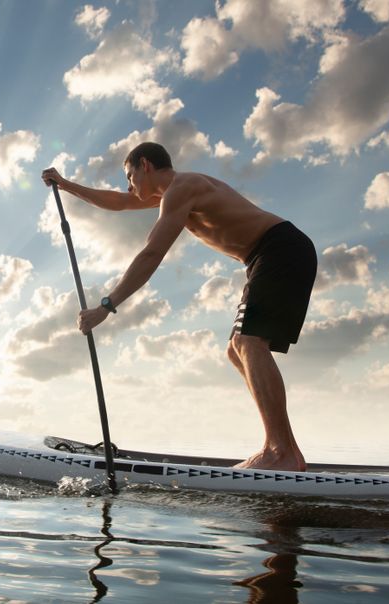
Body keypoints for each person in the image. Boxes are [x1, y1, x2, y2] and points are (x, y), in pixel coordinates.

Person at [41, 142, 316, 471]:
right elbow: (118, 201)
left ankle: (280, 451)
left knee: (248, 342)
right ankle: (286, 452)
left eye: (130, 176)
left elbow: (151, 254)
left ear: (145, 165)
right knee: (236, 349)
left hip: (280, 249)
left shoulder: (182, 188)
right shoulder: (172, 194)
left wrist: (105, 307)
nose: (129, 186)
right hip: (265, 257)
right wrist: (66, 184)